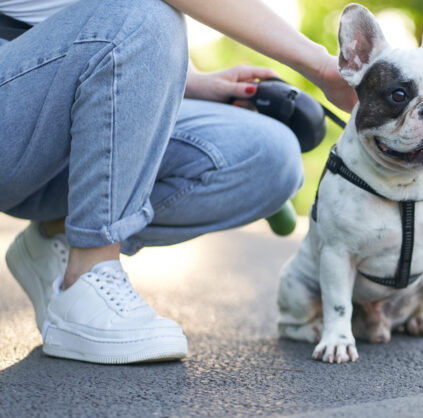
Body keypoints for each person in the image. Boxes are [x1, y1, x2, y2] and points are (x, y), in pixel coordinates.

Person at [0, 0, 357, 364]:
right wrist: (324, 67)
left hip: (56, 86)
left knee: (270, 155)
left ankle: (57, 232)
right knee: (143, 13)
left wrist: (190, 79)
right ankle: (88, 275)